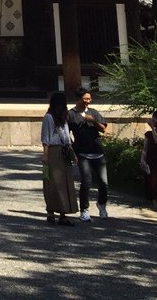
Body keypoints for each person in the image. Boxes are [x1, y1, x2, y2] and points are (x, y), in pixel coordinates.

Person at [68, 85, 109, 222]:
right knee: (86, 182)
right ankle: (84, 210)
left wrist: (93, 121)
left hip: (97, 151)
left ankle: (102, 205)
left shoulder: (93, 112)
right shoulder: (71, 114)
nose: (88, 101)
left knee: (104, 182)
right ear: (78, 99)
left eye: (89, 99)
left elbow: (103, 129)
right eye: (85, 99)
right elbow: (66, 133)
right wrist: (71, 149)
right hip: (82, 153)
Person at [41, 90, 78, 225]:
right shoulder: (49, 117)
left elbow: (67, 137)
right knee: (51, 182)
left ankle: (63, 212)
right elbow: (46, 137)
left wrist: (72, 153)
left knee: (65, 182)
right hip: (53, 151)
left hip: (64, 151)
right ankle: (50, 211)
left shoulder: (63, 119)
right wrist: (45, 155)